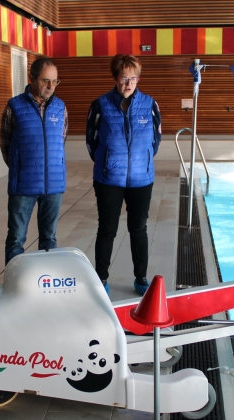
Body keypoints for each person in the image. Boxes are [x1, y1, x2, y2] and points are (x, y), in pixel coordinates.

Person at [86, 54, 162, 296]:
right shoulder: (100, 104)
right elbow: (91, 141)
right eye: (123, 78)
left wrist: (144, 161)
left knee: (138, 228)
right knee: (107, 229)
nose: (128, 83)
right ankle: (101, 278)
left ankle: (141, 278)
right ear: (115, 78)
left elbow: (156, 139)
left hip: (141, 179)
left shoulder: (149, 104)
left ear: (138, 79)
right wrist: (106, 162)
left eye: (133, 78)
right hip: (109, 178)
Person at [0, 57, 68, 265]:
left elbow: (61, 141)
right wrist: (22, 167)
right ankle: (15, 286)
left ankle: (44, 285)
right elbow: (6, 144)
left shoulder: (60, 107)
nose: (51, 86)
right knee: (16, 239)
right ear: (31, 78)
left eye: (55, 81)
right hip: (23, 185)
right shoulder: (14, 106)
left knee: (49, 239)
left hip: (54, 185)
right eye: (46, 80)